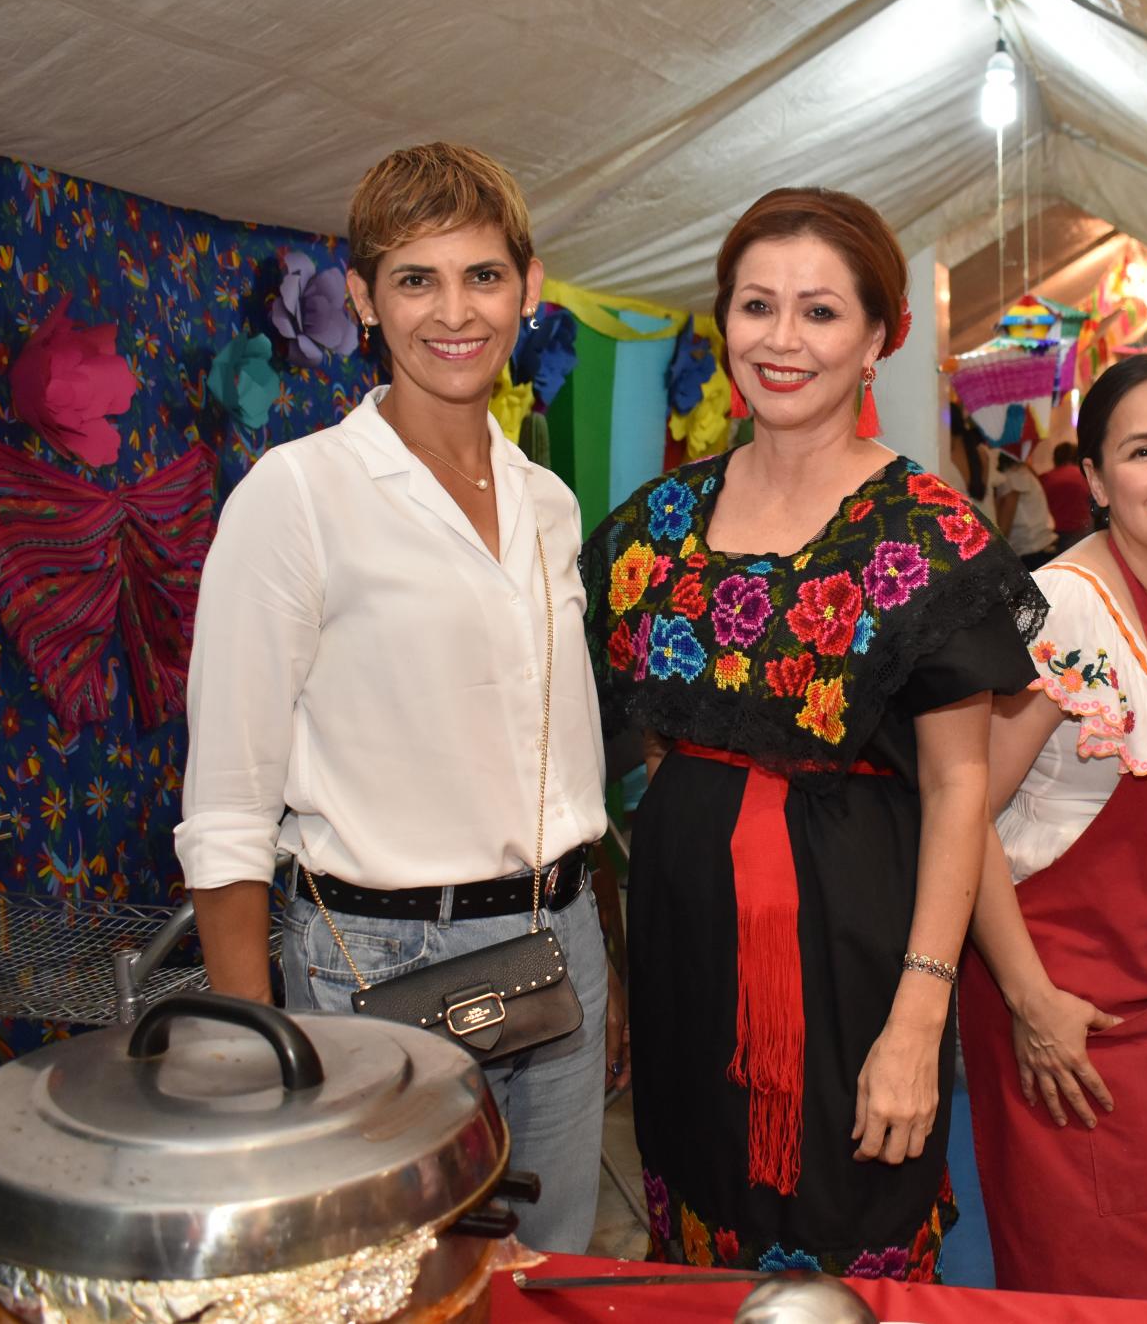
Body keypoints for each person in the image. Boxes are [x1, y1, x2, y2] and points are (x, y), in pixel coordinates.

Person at [579, 187, 1045, 1281]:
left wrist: (917, 1020)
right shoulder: (655, 527)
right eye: (756, 306)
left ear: (881, 333)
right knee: (692, 1247)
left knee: (849, 1251)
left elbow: (956, 789)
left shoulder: (927, 534)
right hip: (687, 950)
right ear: (722, 321)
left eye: (820, 312)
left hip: (856, 959)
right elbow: (655, 743)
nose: (781, 341)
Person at [175, 143, 617, 1251]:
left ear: (529, 286)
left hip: (556, 934)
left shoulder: (549, 501)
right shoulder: (297, 495)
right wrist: (251, 1047)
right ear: (364, 300)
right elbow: (227, 810)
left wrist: (598, 930)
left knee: (549, 1264)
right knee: (396, 1282)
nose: (453, 312)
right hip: (373, 959)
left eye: (481, 275)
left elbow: (553, 754)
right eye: (416, 279)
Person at [960, 353, 1147, 1301]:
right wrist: (1031, 1003)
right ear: (1093, 478)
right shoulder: (1062, 607)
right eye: (1143, 450)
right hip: (1059, 1002)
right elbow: (957, 807)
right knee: (1086, 1291)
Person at [993, 450, 1058, 565]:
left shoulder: (1013, 476)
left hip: (1031, 551)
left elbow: (1004, 526)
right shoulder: (1022, 471)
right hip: (1041, 546)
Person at [1038, 438, 1093, 548]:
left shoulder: (1044, 478)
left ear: (1055, 458)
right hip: (1081, 531)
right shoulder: (1086, 477)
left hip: (1051, 534)